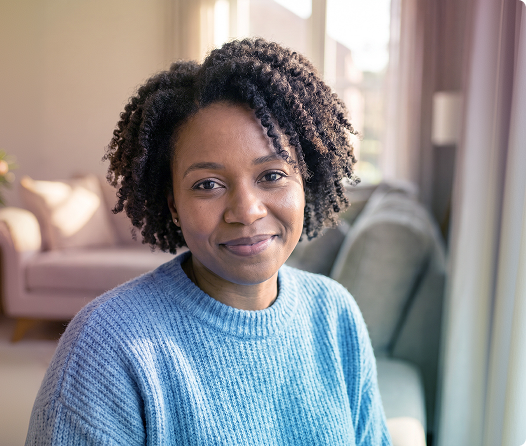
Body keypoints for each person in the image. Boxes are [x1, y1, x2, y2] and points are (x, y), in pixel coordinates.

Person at [26, 38, 392, 445]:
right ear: (174, 205)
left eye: (272, 175)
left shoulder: (336, 314)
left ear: (306, 181)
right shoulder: (106, 349)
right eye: (208, 184)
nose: (246, 211)